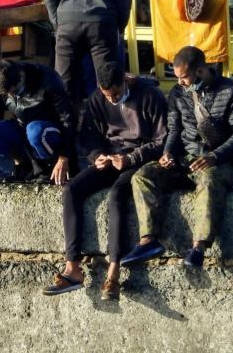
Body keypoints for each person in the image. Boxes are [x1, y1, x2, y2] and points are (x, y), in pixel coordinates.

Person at [42, 63, 167, 299]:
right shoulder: (98, 98)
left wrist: (131, 158)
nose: (112, 99)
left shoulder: (151, 96)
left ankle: (114, 271)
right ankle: (73, 266)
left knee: (117, 195)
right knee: (72, 190)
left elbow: (162, 140)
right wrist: (96, 156)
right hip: (110, 157)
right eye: (107, 95)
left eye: (117, 94)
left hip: (139, 160)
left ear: (126, 81)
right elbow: (88, 137)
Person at [121, 46, 233, 269]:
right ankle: (148, 240)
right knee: (143, 176)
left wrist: (215, 157)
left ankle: (198, 247)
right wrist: (168, 153)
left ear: (200, 71)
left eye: (184, 77)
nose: (179, 82)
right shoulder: (178, 94)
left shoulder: (230, 91)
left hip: (218, 161)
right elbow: (174, 130)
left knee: (209, 182)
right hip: (185, 159)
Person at [0, 60, 78, 193]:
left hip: (48, 131)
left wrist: (64, 157)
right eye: (8, 94)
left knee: (34, 130)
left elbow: (68, 120)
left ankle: (47, 168)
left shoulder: (46, 77)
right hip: (22, 128)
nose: (12, 96)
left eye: (16, 91)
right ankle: (24, 166)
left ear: (22, 76)